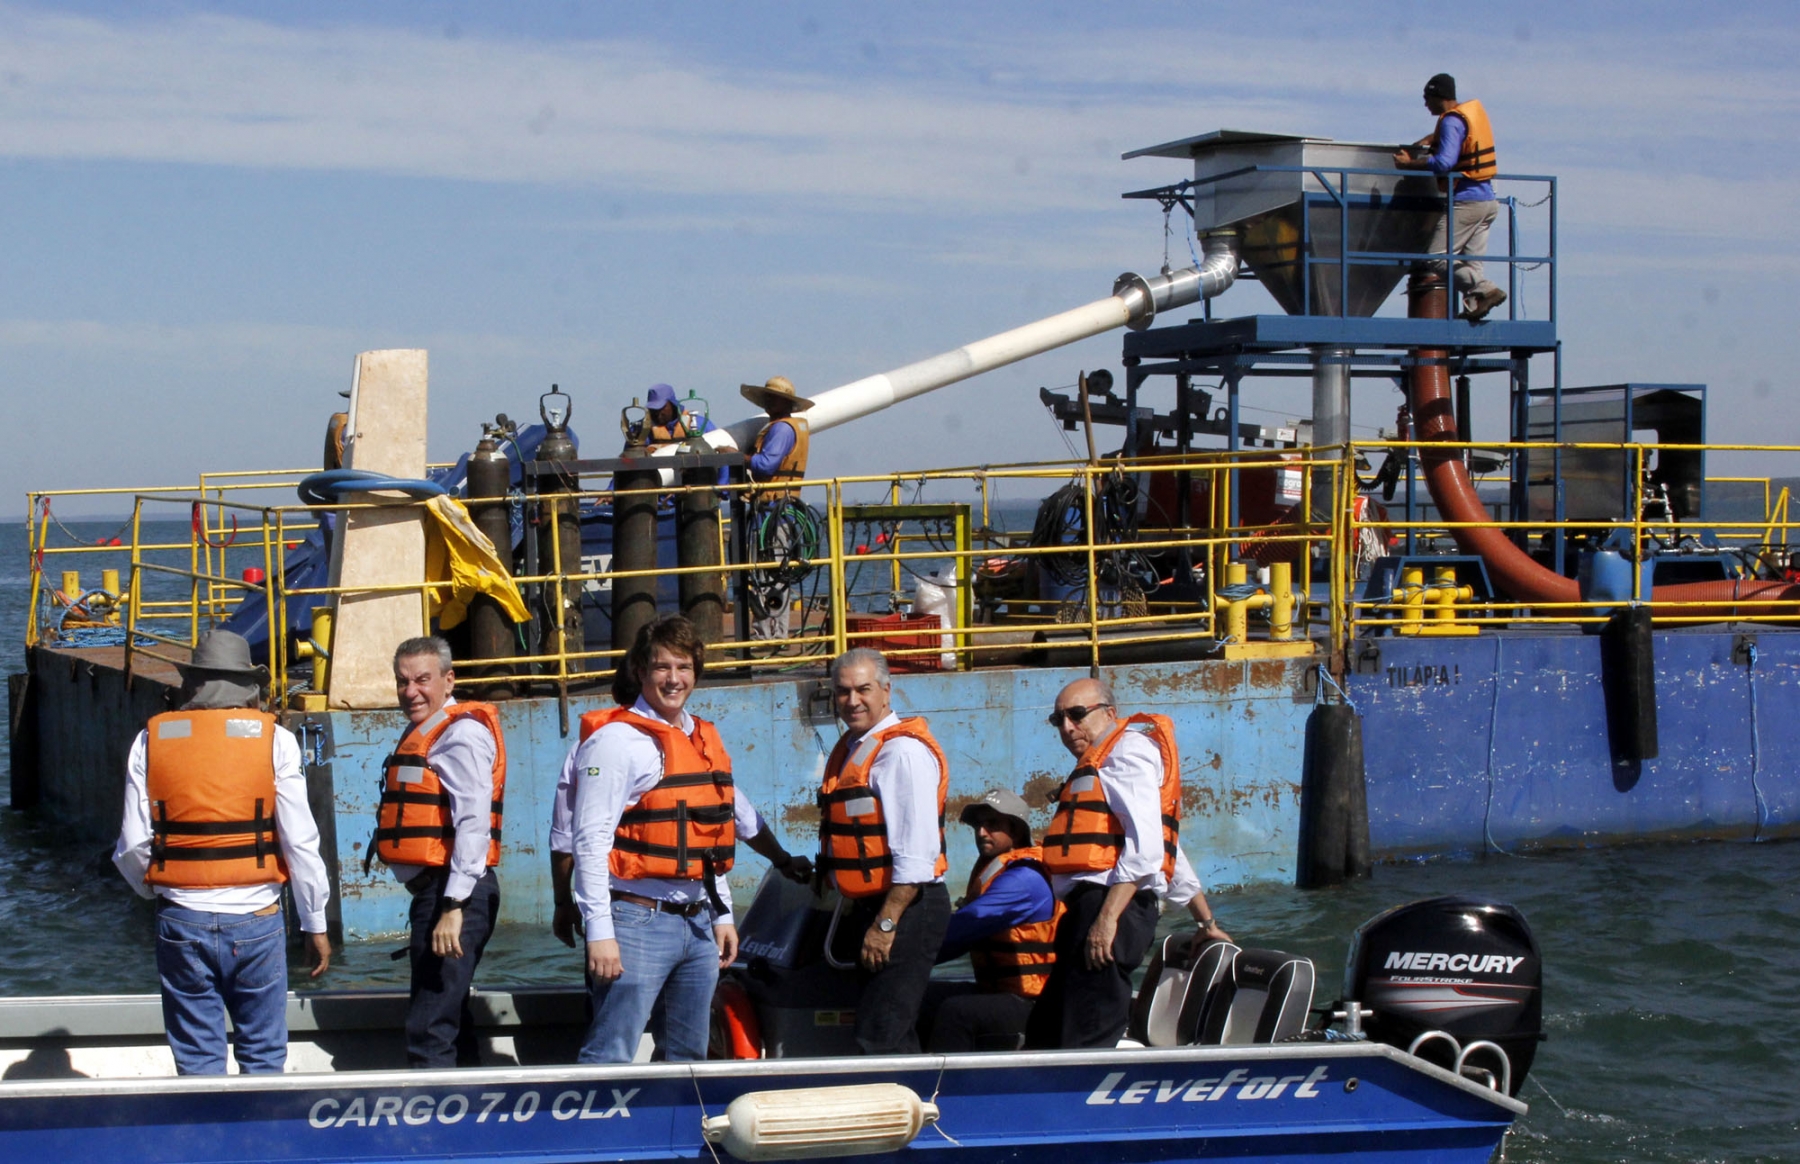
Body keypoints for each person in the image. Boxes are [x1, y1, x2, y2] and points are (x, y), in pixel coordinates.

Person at [111, 629, 332, 1074]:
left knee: (196, 1059)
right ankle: (258, 1140)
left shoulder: (150, 741)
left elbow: (132, 846)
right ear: (250, 684)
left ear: (192, 682)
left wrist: (162, 894)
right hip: (256, 920)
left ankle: (207, 1139)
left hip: (181, 920)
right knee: (264, 1054)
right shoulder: (277, 741)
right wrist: (315, 924)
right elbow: (301, 843)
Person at [569, 614, 740, 1063]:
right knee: (611, 1051)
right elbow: (589, 841)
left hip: (698, 921)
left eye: (683, 667)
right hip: (636, 921)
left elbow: (707, 836)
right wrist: (599, 931)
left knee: (690, 1059)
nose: (673, 678)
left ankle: (680, 1133)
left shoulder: (702, 739)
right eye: (661, 667)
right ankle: (602, 1133)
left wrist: (723, 915)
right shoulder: (616, 741)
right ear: (641, 671)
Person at [548, 669, 813, 950]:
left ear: (614, 694)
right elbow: (740, 817)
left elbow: (564, 837)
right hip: (663, 913)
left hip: (638, 911)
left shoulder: (589, 745)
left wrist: (564, 903)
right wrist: (781, 861)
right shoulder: (689, 742)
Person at [1026, 677, 1193, 1049]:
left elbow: (1147, 850)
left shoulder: (1125, 753)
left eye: (1077, 715)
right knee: (1048, 1030)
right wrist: (1205, 919)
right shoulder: (1102, 761)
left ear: (1110, 713)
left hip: (1109, 907)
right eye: (1059, 720)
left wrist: (1106, 920)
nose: (1068, 728)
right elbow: (1167, 849)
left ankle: (1081, 1102)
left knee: (1085, 1034)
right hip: (1093, 908)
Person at [373, 635, 506, 1069]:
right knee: (449, 1013)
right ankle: (463, 1113)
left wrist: (453, 906)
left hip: (454, 894)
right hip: (438, 893)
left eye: (423, 680)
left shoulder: (461, 735)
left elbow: (473, 823)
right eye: (402, 681)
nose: (411, 691)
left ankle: (431, 1124)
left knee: (430, 1025)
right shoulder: (426, 731)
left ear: (449, 681)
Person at [817, 647, 952, 1055]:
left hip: (909, 905)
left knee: (882, 1033)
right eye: (843, 692)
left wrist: (886, 925)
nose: (852, 701)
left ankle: (904, 1110)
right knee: (881, 1021)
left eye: (863, 689)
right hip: (875, 903)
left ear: (886, 691)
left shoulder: (901, 752)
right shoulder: (857, 747)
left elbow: (916, 854)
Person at [921, 788, 1060, 1053]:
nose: (981, 832)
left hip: (1032, 1003)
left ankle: (944, 1088)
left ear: (1016, 831)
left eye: (992, 824)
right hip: (999, 993)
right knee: (922, 995)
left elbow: (963, 929)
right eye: (978, 825)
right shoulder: (995, 873)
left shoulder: (1024, 880)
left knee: (957, 1011)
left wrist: (906, 954)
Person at [1394, 73, 1506, 321]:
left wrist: (1409, 164)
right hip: (1488, 201)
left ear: (1438, 96)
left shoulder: (1450, 122)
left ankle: (1488, 290)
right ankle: (1476, 305)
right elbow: (1458, 138)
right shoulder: (1462, 117)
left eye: (1426, 98)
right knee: (1472, 264)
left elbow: (1444, 162)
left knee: (1435, 257)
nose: (1425, 104)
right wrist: (1430, 138)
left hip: (1467, 202)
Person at [740, 375, 814, 643]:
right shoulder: (789, 427)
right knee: (777, 572)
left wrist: (740, 457)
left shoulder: (781, 429)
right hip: (781, 508)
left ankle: (767, 634)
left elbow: (766, 465)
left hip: (772, 510)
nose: (768, 402)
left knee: (765, 572)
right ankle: (776, 633)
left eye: (772, 397)